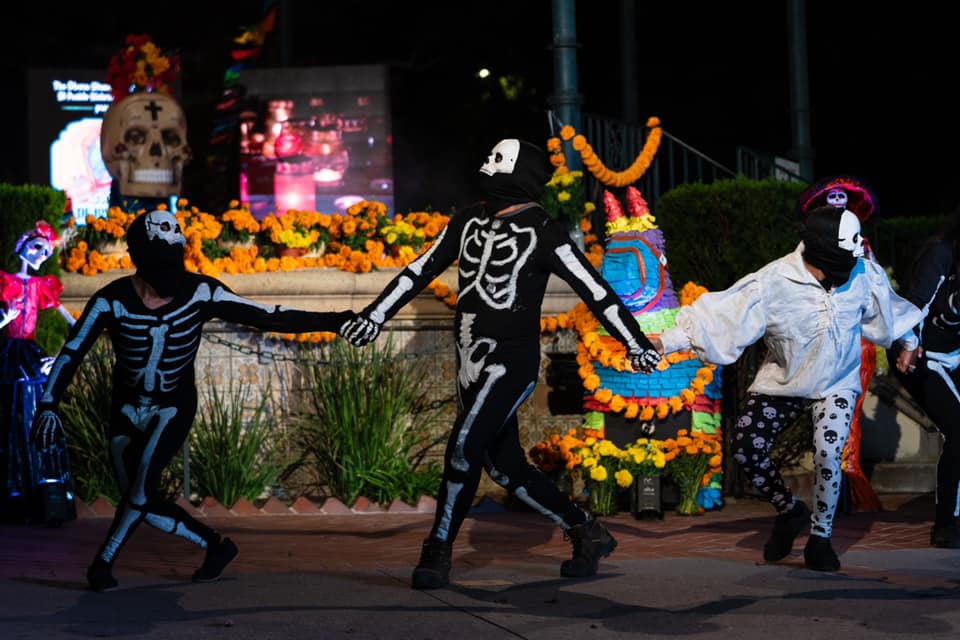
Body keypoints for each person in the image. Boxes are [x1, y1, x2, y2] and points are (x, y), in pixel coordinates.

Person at [341, 138, 661, 589]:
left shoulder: (545, 231)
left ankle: (437, 550)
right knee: (505, 466)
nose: (485, 164)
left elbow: (595, 290)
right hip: (469, 361)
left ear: (518, 175)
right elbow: (420, 269)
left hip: (510, 363)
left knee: (462, 448)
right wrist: (374, 314)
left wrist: (635, 341)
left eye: (497, 159)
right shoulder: (468, 220)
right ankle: (586, 530)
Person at [30, 210, 357, 592]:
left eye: (175, 251)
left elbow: (270, 317)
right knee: (142, 502)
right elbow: (72, 351)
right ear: (142, 256)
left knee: (137, 494)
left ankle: (102, 563)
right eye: (162, 256)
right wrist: (48, 403)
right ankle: (216, 546)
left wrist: (338, 320)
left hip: (172, 405)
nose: (172, 264)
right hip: (126, 406)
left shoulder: (201, 292)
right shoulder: (111, 301)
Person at [650, 205, 923, 572]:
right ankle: (789, 510)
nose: (846, 274)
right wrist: (664, 343)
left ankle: (820, 538)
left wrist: (907, 342)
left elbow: (886, 310)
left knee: (829, 454)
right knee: (747, 447)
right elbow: (721, 317)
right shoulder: (773, 282)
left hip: (837, 381)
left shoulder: (863, 273)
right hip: (786, 380)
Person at [890, 205, 960, 548]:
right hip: (921, 355)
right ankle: (946, 524)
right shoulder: (941, 253)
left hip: (954, 358)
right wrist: (909, 344)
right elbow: (916, 302)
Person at [1, 221, 77, 525]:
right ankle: (14, 491)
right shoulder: (6, 281)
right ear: (21, 246)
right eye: (36, 248)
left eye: (45, 252)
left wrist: (59, 356)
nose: (40, 256)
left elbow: (73, 323)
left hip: (31, 356)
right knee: (11, 419)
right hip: (10, 355)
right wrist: (6, 318)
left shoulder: (40, 286)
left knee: (35, 416)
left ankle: (39, 494)